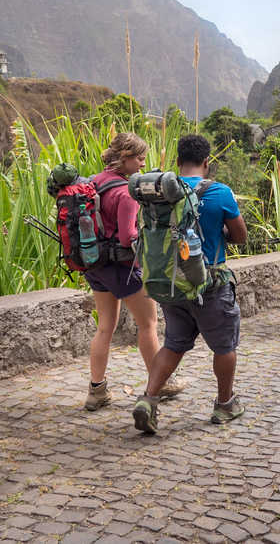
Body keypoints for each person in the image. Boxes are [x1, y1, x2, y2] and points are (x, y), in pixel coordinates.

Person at [132, 135, 248, 434]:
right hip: (209, 285)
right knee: (224, 346)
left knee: (173, 343)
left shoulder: (163, 194)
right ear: (207, 162)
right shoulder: (220, 192)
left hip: (171, 282)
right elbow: (240, 236)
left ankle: (149, 399)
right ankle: (225, 404)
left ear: (177, 162)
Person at [83, 133, 184, 410]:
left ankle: (97, 390)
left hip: (96, 264)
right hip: (122, 267)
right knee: (148, 324)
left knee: (105, 326)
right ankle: (159, 383)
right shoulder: (125, 192)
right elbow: (128, 237)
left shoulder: (94, 181)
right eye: (139, 158)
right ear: (125, 157)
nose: (142, 164)